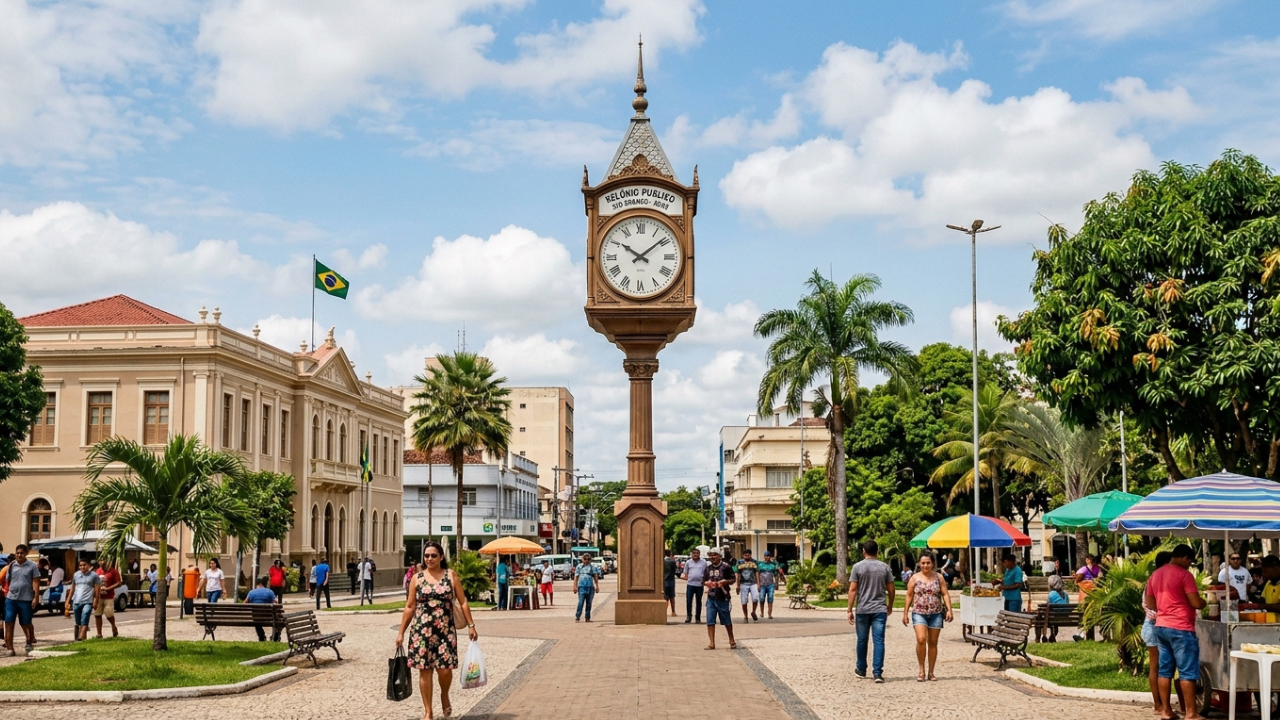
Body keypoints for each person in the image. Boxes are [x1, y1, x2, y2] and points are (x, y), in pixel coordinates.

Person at [396, 541, 479, 720]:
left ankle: (444, 694)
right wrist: (401, 632)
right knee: (424, 671)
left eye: (434, 555)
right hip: (421, 632)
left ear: (441, 556)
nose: (430, 559)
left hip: (445, 632)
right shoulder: (417, 578)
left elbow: (463, 601)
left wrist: (471, 625)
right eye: (427, 556)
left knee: (445, 670)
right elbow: (410, 606)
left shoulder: (451, 575)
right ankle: (428, 711)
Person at [1147, 544, 1206, 720]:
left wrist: (1165, 607)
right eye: (1190, 561)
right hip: (1181, 627)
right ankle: (1191, 713)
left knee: (1165, 670)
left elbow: (1150, 603)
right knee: (1188, 671)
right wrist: (1204, 602)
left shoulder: (1155, 574)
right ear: (1185, 558)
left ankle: (1165, 711)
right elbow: (1195, 602)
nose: (1189, 565)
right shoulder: (1184, 575)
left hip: (1161, 626)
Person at [848, 539, 895, 683]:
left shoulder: (857, 567)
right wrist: (890, 605)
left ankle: (861, 669)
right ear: (877, 552)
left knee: (862, 640)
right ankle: (877, 673)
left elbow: (853, 589)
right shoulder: (884, 567)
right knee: (879, 640)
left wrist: (849, 609)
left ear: (863, 551)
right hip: (879, 609)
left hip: (863, 609)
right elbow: (891, 589)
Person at [902, 552, 952, 682]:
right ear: (919, 564)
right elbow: (909, 595)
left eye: (928, 563)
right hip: (919, 612)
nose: (925, 565)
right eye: (923, 563)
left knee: (933, 642)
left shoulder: (939, 577)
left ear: (932, 563)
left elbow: (945, 593)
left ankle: (931, 671)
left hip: (935, 613)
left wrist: (949, 610)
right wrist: (905, 613)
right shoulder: (914, 578)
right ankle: (921, 670)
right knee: (921, 639)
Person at [1142, 552, 1173, 717]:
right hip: (1154, 625)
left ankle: (1163, 704)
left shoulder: (1156, 578)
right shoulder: (1156, 579)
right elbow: (1150, 607)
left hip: (1158, 624)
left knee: (1163, 666)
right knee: (1156, 666)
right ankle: (1158, 704)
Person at [2, 544, 39, 656]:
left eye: (21, 553)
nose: (19, 555)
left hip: (25, 599)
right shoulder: (12, 566)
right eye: (17, 553)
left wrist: (35, 597)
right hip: (11, 599)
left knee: (26, 622)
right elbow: (8, 580)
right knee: (8, 622)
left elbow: (36, 581)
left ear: (26, 554)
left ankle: (29, 640)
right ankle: (10, 648)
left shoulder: (32, 566)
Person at [704, 548, 736, 650]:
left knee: (726, 620)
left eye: (714, 555)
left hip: (723, 597)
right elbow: (703, 580)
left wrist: (725, 582)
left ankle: (731, 640)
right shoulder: (708, 568)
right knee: (710, 621)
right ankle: (712, 643)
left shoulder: (726, 567)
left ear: (720, 556)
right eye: (711, 555)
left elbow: (733, 579)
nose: (712, 557)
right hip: (711, 597)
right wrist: (707, 583)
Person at [65, 558, 100, 642]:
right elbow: (72, 588)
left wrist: (96, 601)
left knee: (85, 615)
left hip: (88, 601)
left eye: (84, 565)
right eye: (81, 565)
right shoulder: (76, 575)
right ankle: (79, 638)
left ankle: (81, 636)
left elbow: (97, 590)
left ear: (88, 566)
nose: (82, 567)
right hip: (76, 601)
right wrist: (67, 601)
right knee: (78, 621)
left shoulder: (94, 576)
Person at [245, 577, 281, 642]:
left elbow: (245, 603)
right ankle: (275, 635)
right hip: (268, 617)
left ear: (257, 584)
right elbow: (276, 602)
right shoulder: (270, 592)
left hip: (256, 618)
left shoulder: (251, 592)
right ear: (262, 583)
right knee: (277, 619)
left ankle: (261, 636)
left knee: (256, 621)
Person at [94, 559, 121, 638]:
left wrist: (108, 588)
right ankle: (99, 633)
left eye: (104, 561)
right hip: (98, 597)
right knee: (97, 614)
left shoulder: (113, 571)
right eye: (101, 561)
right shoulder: (97, 572)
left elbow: (118, 583)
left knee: (109, 613)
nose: (102, 562)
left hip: (109, 596)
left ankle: (113, 626)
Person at [681, 547, 707, 624]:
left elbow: (706, 572)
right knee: (689, 601)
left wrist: (704, 581)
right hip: (690, 585)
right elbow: (685, 573)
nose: (695, 554)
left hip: (699, 585)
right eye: (694, 553)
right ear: (691, 554)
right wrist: (686, 577)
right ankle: (689, 616)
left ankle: (698, 618)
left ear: (699, 554)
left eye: (697, 553)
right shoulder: (688, 562)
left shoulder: (703, 562)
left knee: (698, 601)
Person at [757, 550, 785, 619]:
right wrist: (758, 583)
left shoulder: (773, 565)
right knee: (762, 598)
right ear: (764, 557)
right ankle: (762, 613)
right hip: (762, 584)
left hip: (770, 585)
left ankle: (769, 614)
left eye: (768, 556)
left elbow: (777, 575)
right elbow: (757, 574)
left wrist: (777, 583)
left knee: (770, 598)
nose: (767, 557)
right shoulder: (760, 565)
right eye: (766, 556)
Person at [574, 552, 601, 622]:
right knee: (580, 602)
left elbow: (595, 577)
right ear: (582, 559)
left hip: (590, 587)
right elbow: (576, 577)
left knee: (589, 603)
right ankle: (577, 616)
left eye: (588, 559)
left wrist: (597, 586)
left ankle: (587, 617)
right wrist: (575, 586)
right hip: (581, 587)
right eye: (585, 559)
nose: (586, 561)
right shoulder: (579, 567)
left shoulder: (592, 567)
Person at [736, 548, 760, 622]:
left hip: (753, 583)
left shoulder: (755, 562)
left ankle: (753, 612)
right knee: (744, 601)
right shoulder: (739, 562)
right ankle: (745, 616)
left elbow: (757, 573)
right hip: (743, 583)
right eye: (745, 555)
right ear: (743, 555)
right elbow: (737, 574)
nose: (747, 556)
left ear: (750, 555)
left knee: (755, 598)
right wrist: (738, 585)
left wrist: (759, 584)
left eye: (748, 555)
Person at [663, 549, 678, 617]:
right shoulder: (672, 561)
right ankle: (673, 611)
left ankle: (664, 611)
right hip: (671, 580)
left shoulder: (662, 561)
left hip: (664, 580)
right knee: (672, 596)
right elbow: (675, 570)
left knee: (665, 597)